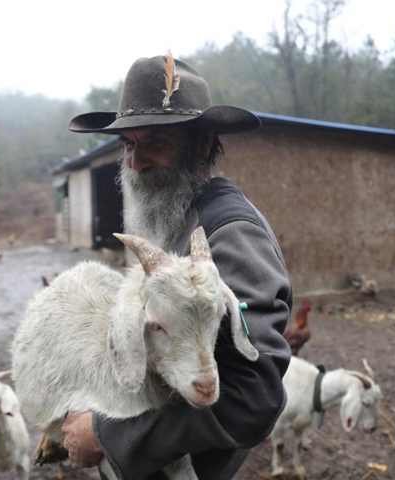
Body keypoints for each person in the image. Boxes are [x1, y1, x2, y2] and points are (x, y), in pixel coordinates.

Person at [62, 51, 293, 480]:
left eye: (156, 144)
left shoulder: (231, 236)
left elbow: (251, 399)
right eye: (129, 145)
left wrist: (106, 433)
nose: (135, 163)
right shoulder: (178, 219)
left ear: (202, 143)